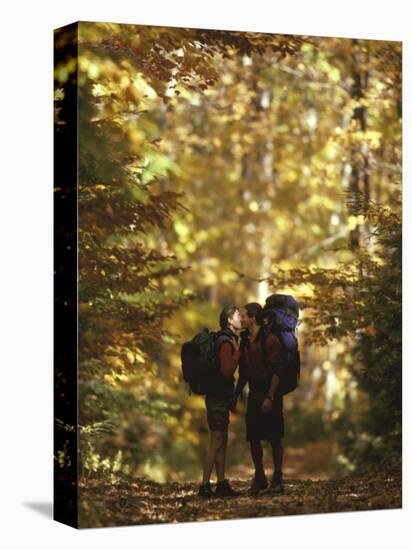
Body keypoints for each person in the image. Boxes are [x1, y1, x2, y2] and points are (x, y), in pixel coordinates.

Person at [232, 302, 286, 495]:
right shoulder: (245, 341)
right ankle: (260, 477)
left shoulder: (271, 340)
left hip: (271, 393)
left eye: (244, 315)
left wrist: (270, 397)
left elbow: (278, 371)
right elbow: (243, 373)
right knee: (254, 437)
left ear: (253, 317)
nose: (241, 319)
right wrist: (236, 395)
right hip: (254, 394)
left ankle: (278, 478)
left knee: (274, 437)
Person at [198, 305, 243, 498]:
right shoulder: (225, 342)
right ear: (229, 320)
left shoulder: (230, 339)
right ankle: (205, 485)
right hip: (216, 398)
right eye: (237, 316)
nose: (241, 318)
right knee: (216, 441)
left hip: (220, 397)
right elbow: (227, 370)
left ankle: (221, 483)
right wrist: (238, 352)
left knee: (222, 440)